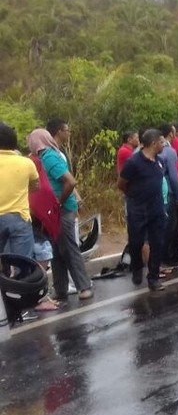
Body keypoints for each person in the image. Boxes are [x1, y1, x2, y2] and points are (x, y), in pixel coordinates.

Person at [28, 127, 94, 301]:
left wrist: (59, 203)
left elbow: (70, 181)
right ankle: (61, 289)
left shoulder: (49, 157)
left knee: (69, 248)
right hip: (54, 212)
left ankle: (84, 287)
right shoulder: (42, 157)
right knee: (56, 250)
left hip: (63, 210)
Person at [118, 129, 169, 290]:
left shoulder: (160, 161)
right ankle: (137, 267)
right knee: (136, 242)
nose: (164, 144)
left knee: (157, 243)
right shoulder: (134, 162)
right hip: (138, 209)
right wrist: (133, 196)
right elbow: (121, 183)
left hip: (157, 209)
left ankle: (153, 277)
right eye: (161, 142)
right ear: (153, 143)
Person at [0, 122, 38, 260]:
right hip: (19, 218)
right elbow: (36, 186)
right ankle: (22, 280)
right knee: (24, 264)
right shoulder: (26, 163)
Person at [159, 123, 178, 267]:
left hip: (157, 193)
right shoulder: (169, 151)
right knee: (173, 225)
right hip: (169, 192)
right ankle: (169, 257)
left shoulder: (148, 150)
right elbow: (174, 176)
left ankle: (165, 256)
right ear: (171, 134)